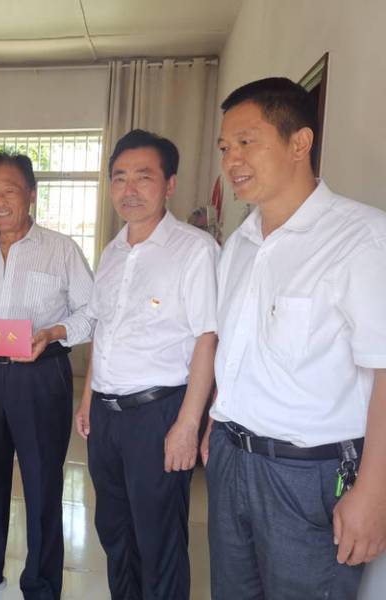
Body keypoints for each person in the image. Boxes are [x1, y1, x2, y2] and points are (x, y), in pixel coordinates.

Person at [203, 77, 386, 599]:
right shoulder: (238, 246)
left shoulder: (362, 238)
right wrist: (215, 422)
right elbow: (237, 351)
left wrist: (375, 492)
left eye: (246, 141)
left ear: (299, 142)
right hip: (231, 458)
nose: (232, 160)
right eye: (224, 147)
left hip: (309, 476)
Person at [74, 130, 218, 599]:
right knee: (114, 532)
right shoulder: (112, 252)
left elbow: (207, 338)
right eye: (119, 178)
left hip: (159, 415)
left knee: (160, 540)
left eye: (143, 177)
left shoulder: (195, 250)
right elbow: (104, 329)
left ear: (169, 184)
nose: (129, 189)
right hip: (106, 416)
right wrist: (88, 397)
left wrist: (188, 425)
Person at [0, 152, 93, 600]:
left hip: (40, 377)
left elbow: (92, 313)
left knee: (42, 482)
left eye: (9, 190)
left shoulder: (61, 249)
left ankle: (41, 584)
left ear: (31, 194)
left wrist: (53, 333)